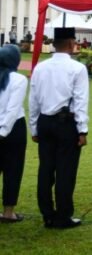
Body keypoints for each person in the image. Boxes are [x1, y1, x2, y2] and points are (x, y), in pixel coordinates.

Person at [29, 27, 89, 228]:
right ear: (72, 43)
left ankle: (47, 214)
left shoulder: (40, 67)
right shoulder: (77, 69)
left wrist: (34, 128)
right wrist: (82, 129)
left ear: (54, 44)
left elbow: (34, 100)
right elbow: (80, 101)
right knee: (65, 171)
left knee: (45, 170)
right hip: (66, 122)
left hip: (45, 121)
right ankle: (63, 216)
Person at [0, 45, 28, 223]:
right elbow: (12, 109)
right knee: (13, 170)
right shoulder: (18, 79)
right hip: (13, 128)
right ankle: (8, 212)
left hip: (5, 128)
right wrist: (3, 132)